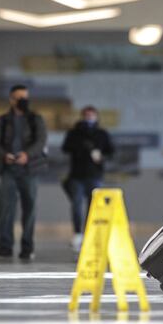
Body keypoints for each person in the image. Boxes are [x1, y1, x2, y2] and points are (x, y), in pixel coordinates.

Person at [0, 85, 47, 262]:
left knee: (29, 209)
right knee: (7, 208)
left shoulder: (36, 119)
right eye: (19, 97)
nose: (23, 100)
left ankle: (27, 247)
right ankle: (5, 247)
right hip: (8, 170)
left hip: (30, 170)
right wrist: (3, 155)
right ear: (11, 99)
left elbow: (41, 140)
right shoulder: (3, 120)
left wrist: (27, 155)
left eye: (25, 97)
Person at [61, 106, 115, 252]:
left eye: (92, 115)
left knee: (94, 207)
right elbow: (65, 148)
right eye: (86, 115)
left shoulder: (102, 134)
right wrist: (81, 148)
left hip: (95, 175)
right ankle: (78, 233)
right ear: (82, 116)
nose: (89, 117)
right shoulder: (74, 133)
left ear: (96, 116)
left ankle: (91, 233)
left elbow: (111, 152)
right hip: (76, 175)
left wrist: (101, 156)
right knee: (77, 204)